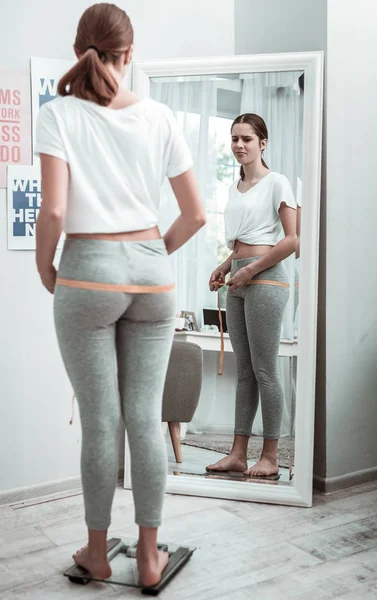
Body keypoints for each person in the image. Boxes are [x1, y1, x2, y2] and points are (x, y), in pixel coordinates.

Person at [34, 3, 206, 587]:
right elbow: (195, 214)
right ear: (129, 54)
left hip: (87, 269)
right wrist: (151, 257)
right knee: (146, 419)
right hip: (153, 274)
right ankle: (152, 557)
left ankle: (98, 551)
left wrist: (44, 266)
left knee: (101, 421)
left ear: (78, 48)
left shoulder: (59, 114)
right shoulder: (159, 116)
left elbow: (54, 209)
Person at [206, 113, 297, 478]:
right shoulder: (233, 188)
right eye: (234, 139)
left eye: (246, 138)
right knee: (245, 373)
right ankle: (238, 454)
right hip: (240, 279)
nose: (239, 145)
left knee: (264, 370)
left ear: (263, 142)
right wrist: (226, 265)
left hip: (266, 279)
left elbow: (292, 240)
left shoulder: (277, 182)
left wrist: (250, 269)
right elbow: (244, 241)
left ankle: (271, 457)